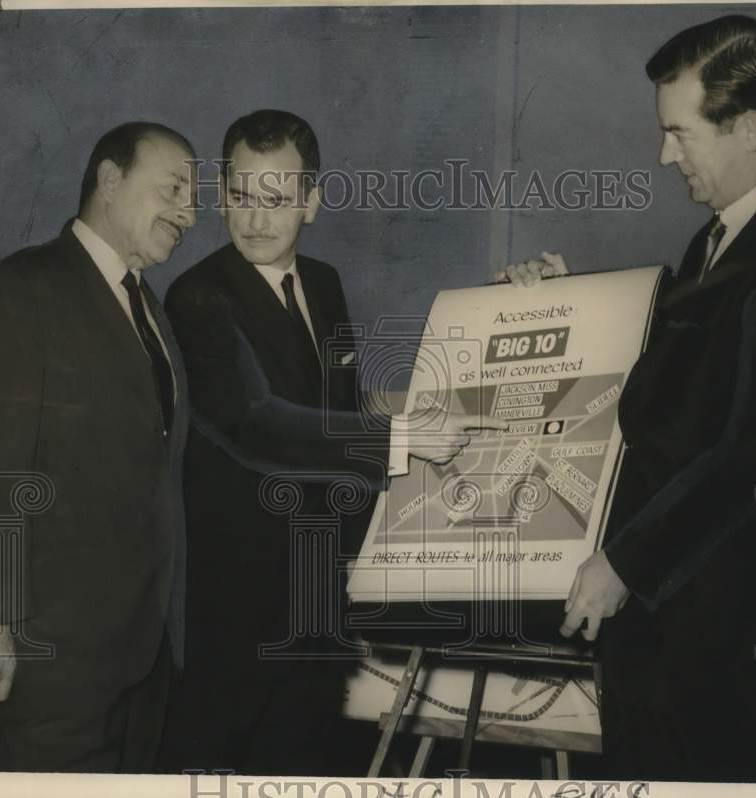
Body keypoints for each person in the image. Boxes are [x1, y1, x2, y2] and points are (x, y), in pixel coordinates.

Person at [504, 15, 756, 783]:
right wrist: (569, 309)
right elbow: (676, 391)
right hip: (681, 642)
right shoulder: (725, 238)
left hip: (745, 659)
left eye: (679, 133)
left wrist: (625, 565)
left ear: (745, 128)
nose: (663, 154)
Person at [160, 109, 506, 775]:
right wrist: (403, 437)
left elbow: (335, 410)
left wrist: (492, 324)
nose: (256, 219)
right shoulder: (197, 297)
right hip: (236, 612)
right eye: (239, 197)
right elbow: (258, 423)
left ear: (311, 202)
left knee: (312, 764)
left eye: (277, 199)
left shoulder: (322, 283)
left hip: (322, 598)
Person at [0, 122, 197, 772]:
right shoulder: (26, 288)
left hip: (141, 657)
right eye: (175, 189)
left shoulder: (149, 310)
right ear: (110, 183)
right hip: (51, 655)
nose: (191, 213)